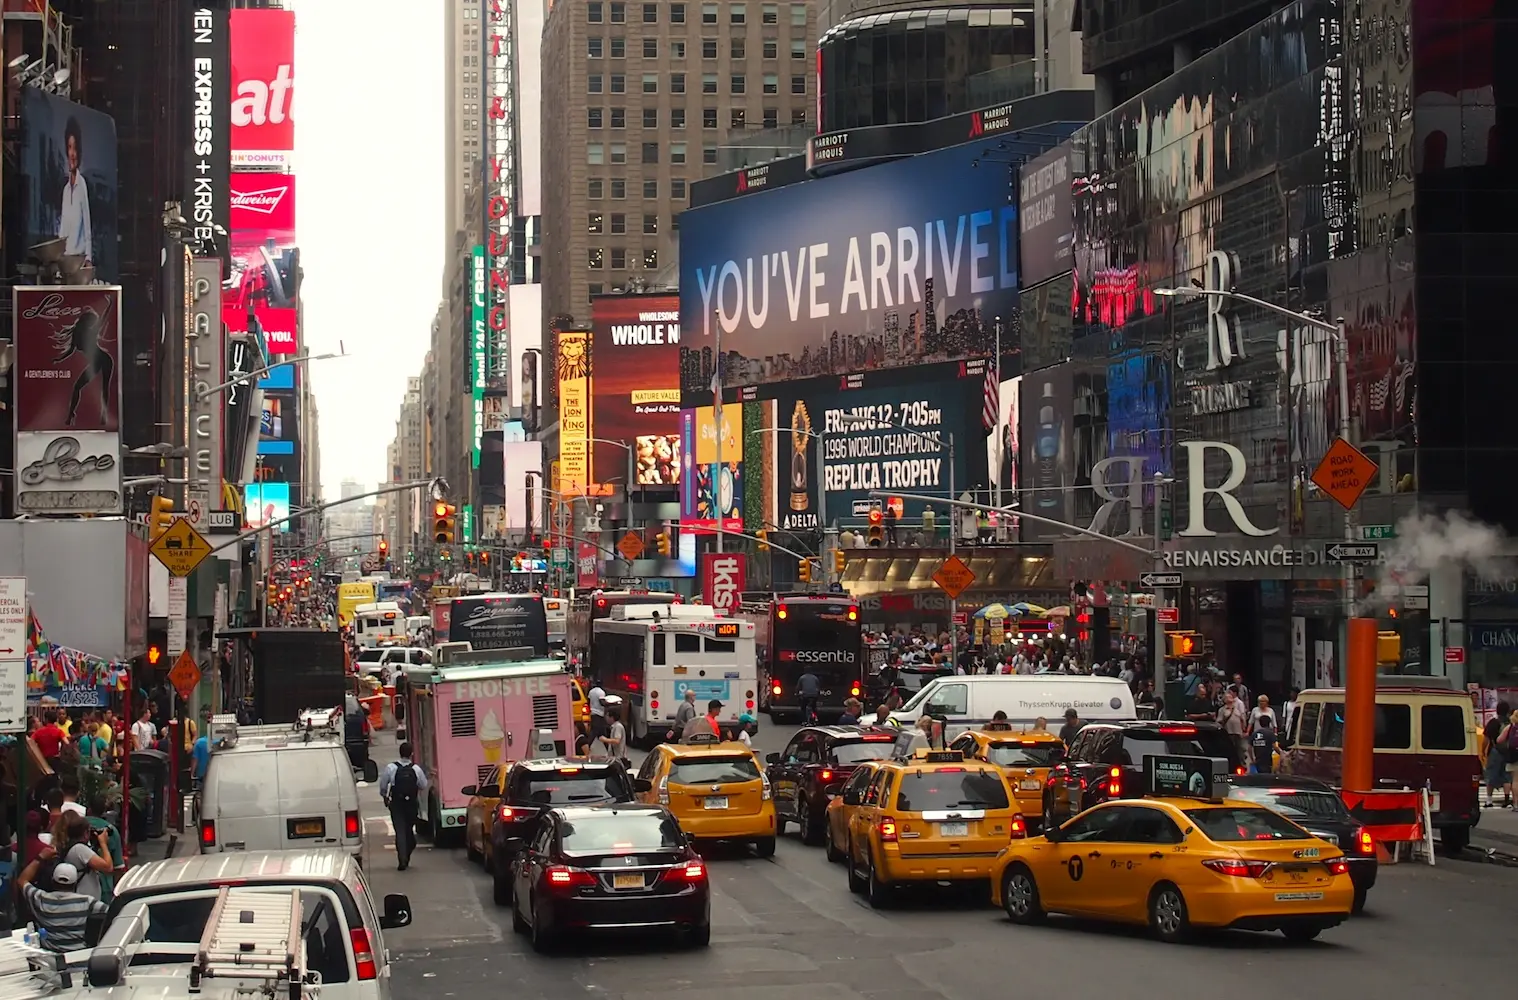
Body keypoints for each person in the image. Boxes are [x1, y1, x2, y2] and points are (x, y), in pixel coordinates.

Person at [15, 852, 108, 953]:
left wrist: (40, 857)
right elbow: (113, 912)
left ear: (52, 881)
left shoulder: (41, 899)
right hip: (79, 959)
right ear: (75, 883)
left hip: (51, 963)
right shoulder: (87, 902)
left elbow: (22, 880)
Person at [379, 742, 429, 871]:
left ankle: (402, 859)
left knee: (400, 831)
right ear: (411, 753)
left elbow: (383, 785)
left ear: (400, 753)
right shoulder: (416, 769)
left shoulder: (391, 768)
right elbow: (423, 785)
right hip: (411, 804)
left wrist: (385, 797)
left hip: (396, 804)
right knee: (408, 830)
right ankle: (406, 854)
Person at [58, 116, 93, 260]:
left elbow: (87, 226)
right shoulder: (66, 190)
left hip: (79, 260)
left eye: (75, 148)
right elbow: (63, 229)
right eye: (69, 147)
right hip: (65, 261)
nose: (72, 154)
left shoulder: (82, 185)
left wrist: (88, 259)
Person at [57, 813, 113, 902]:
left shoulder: (72, 846)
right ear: (85, 833)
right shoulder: (79, 849)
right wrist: (103, 843)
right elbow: (108, 867)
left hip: (82, 900)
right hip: (84, 902)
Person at [1482, 700, 1511, 809]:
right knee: (1506, 776)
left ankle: (1489, 800)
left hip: (1494, 751)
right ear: (1508, 711)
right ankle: (1507, 800)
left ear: (1497, 710)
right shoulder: (1511, 723)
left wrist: (1483, 750)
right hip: (1508, 752)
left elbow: (1486, 739)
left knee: (1491, 775)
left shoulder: (1493, 722)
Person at [586, 677, 608, 742]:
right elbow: (602, 702)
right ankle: (587, 745)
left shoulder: (591, 691)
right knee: (594, 732)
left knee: (602, 733)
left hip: (592, 713)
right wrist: (608, 704)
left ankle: (609, 749)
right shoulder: (601, 692)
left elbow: (588, 701)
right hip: (599, 714)